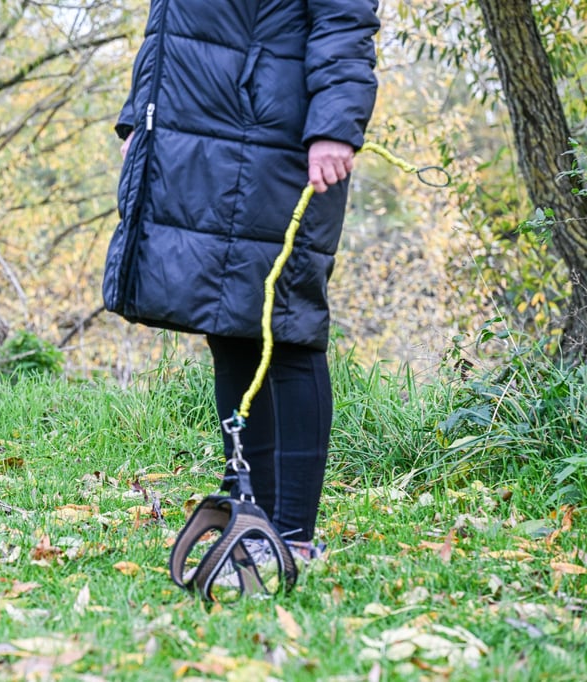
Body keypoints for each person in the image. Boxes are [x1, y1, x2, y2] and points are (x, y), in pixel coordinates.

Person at [105, 0, 380, 559]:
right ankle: (251, 513)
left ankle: (294, 535)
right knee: (227, 324)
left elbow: (344, 19)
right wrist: (140, 114)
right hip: (200, 134)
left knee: (288, 328)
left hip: (280, 137)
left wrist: (335, 126)